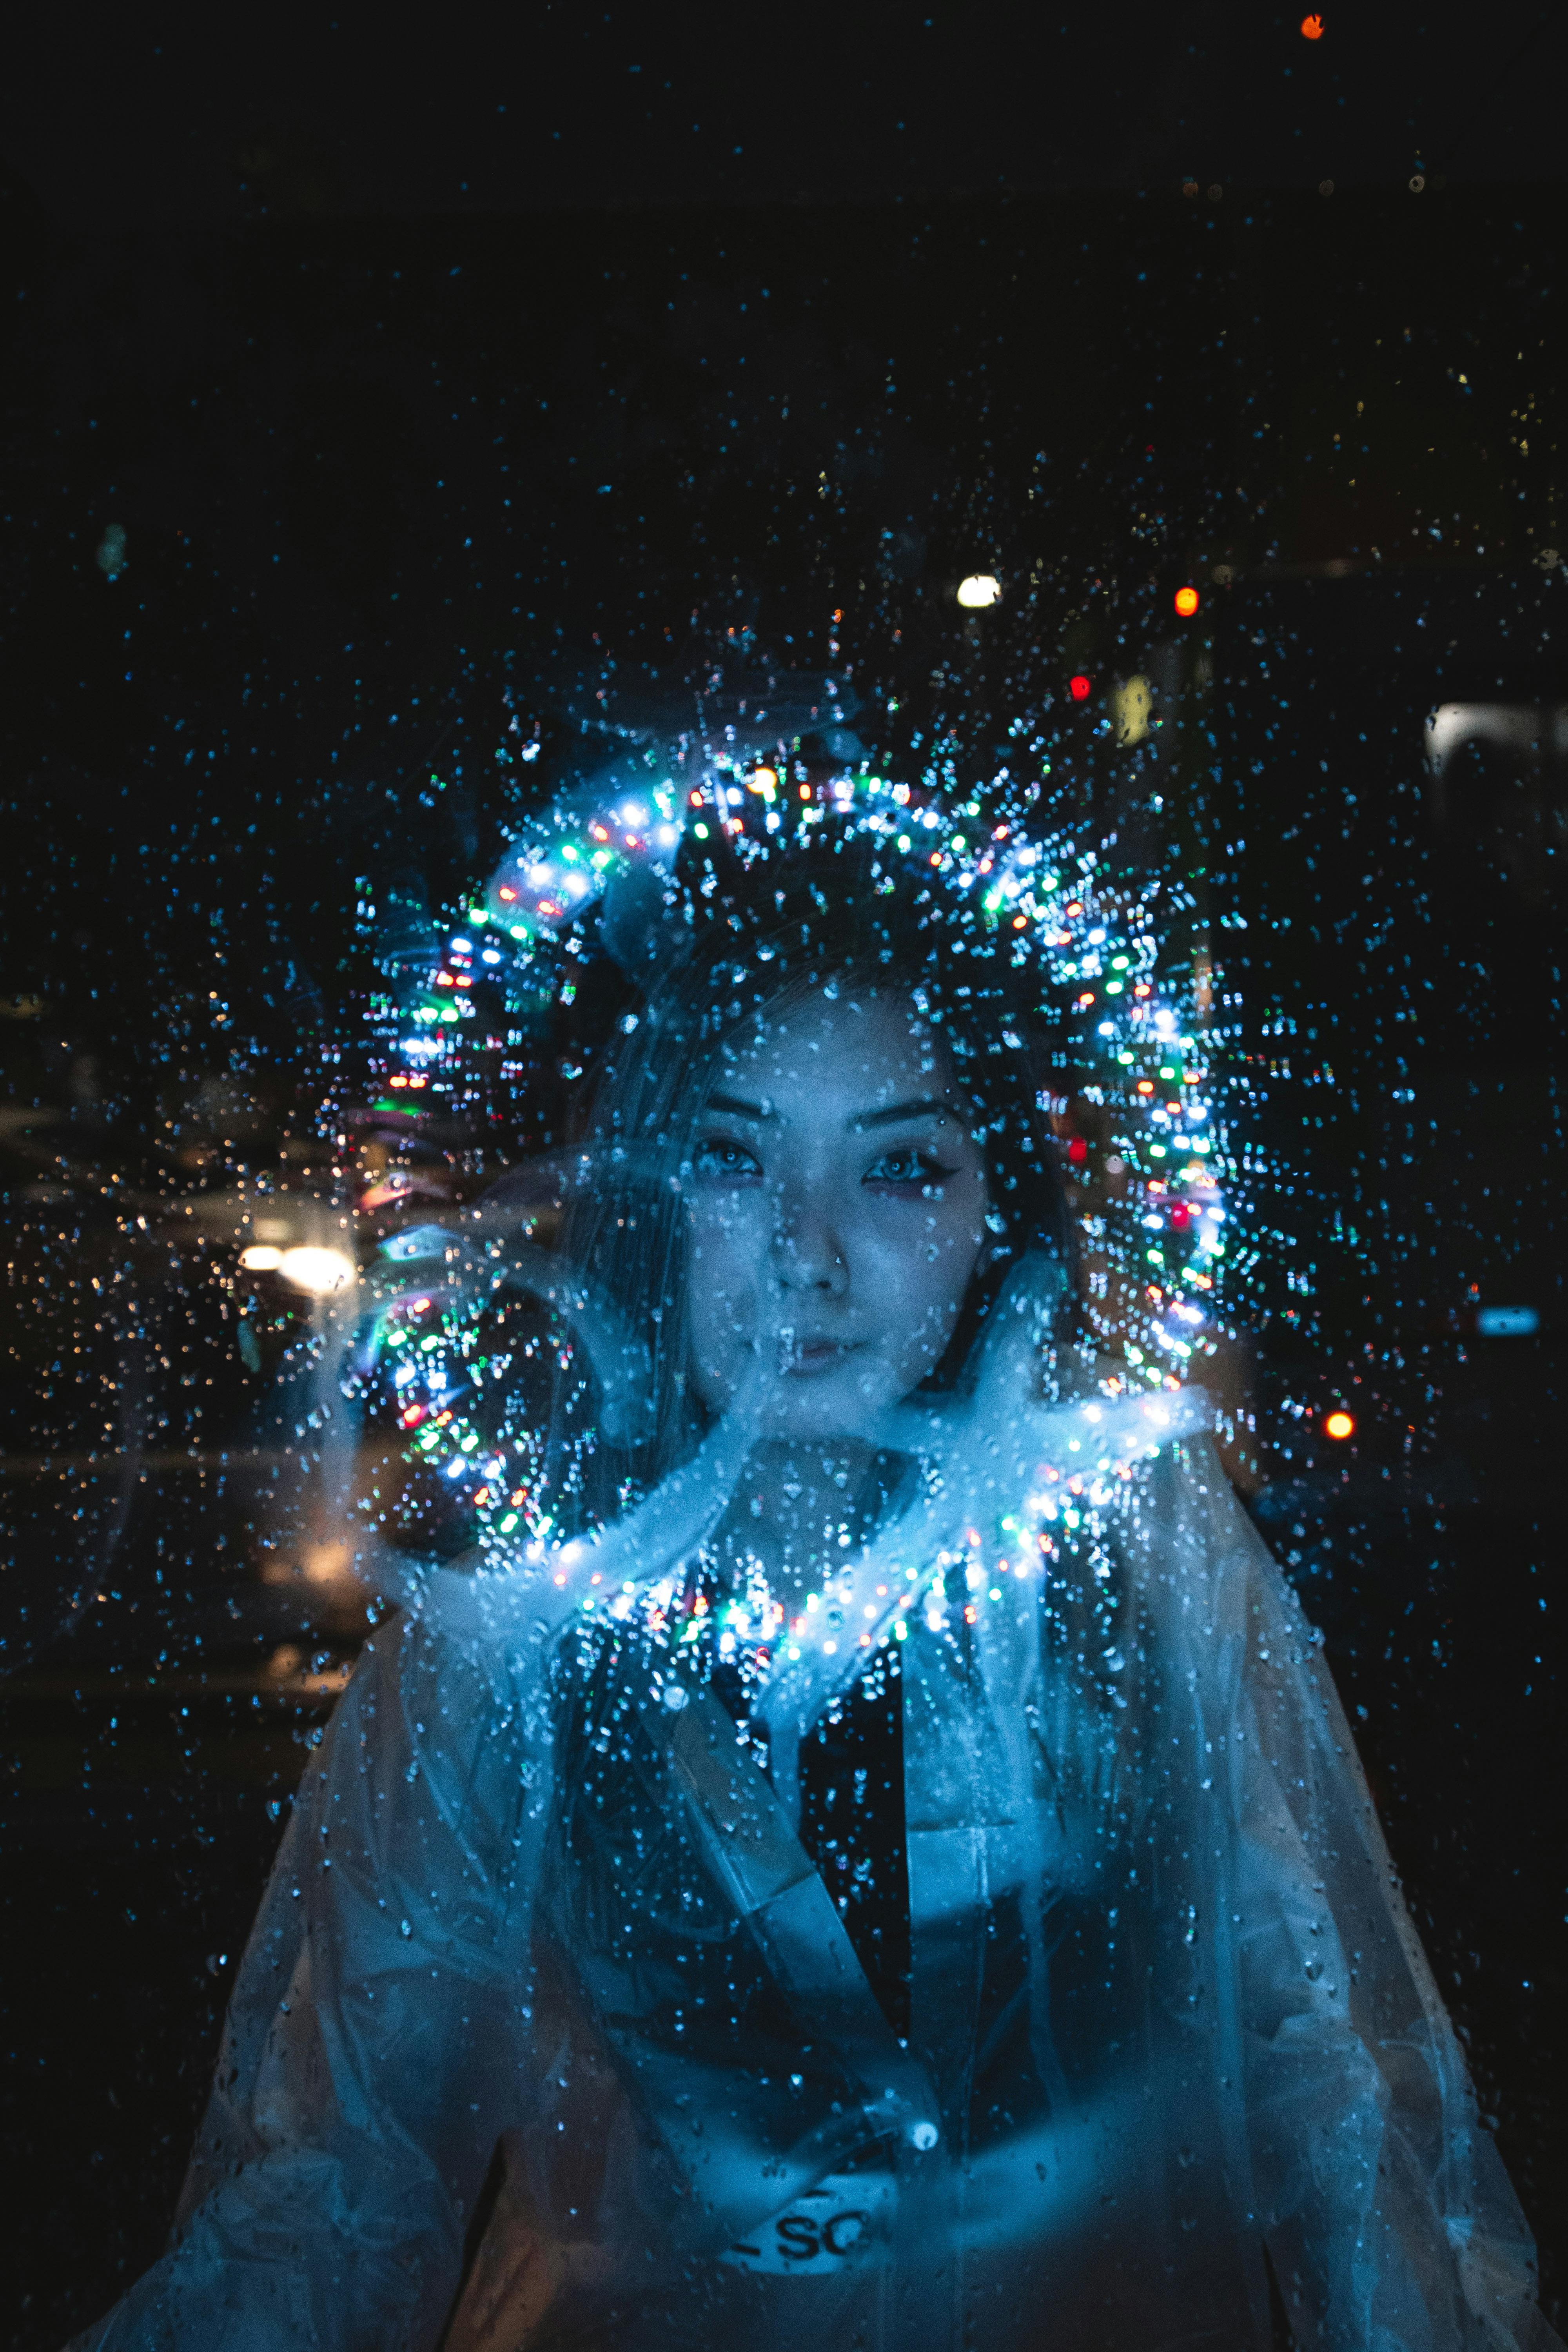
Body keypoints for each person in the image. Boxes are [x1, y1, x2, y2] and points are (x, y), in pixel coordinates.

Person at [73, 757, 1559, 2352]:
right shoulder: (505, 1633)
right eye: (734, 1159)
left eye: (900, 1164)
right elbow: (342, 2174)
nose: (810, 1250)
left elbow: (1333, 2077)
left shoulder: (1141, 1561)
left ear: (1003, 1205)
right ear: (651, 1188)